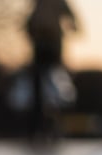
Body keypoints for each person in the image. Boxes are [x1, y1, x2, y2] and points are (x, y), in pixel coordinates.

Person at [25, 0, 79, 144]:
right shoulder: (39, 3)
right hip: (42, 47)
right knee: (39, 87)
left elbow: (71, 16)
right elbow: (30, 22)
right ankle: (37, 127)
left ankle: (52, 124)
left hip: (53, 46)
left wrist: (74, 26)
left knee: (53, 84)